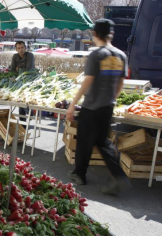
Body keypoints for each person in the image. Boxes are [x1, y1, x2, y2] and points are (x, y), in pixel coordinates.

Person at [66, 19, 130, 194]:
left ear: (95, 34)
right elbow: (120, 83)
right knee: (103, 142)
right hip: (107, 107)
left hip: (91, 107)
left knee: (84, 142)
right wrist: (112, 99)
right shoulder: (121, 55)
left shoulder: (96, 55)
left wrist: (72, 105)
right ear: (112, 35)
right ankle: (118, 176)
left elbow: (88, 80)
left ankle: (80, 174)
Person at [10, 41, 35, 125]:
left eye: (22, 47)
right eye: (19, 48)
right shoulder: (15, 56)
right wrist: (17, 70)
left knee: (24, 99)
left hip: (29, 80)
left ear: (25, 48)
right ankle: (23, 121)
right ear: (16, 49)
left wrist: (19, 69)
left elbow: (29, 69)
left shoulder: (30, 55)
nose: (21, 50)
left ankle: (26, 116)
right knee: (20, 100)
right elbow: (12, 70)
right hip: (18, 81)